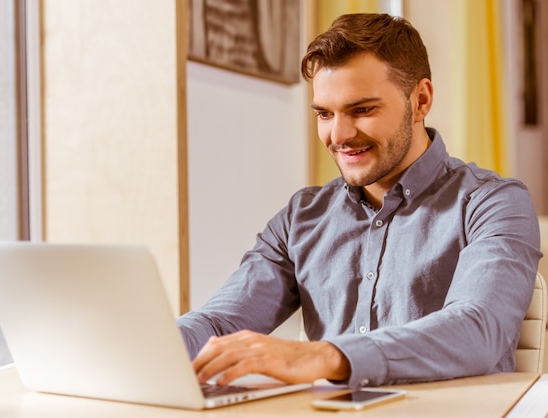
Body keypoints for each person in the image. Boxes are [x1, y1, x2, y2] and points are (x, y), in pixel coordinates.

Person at [177, 13, 542, 389]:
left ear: (421, 100)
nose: (339, 135)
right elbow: (220, 324)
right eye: (324, 113)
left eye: (362, 110)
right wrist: (154, 345)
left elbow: (478, 329)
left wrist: (324, 356)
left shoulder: (493, 202)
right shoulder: (300, 218)